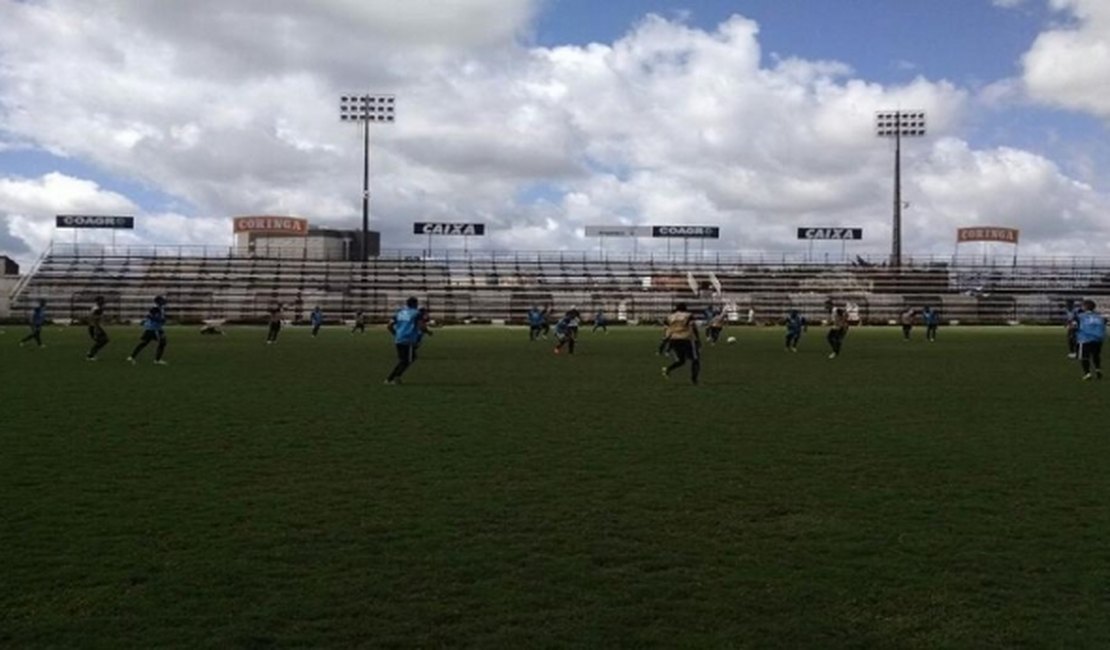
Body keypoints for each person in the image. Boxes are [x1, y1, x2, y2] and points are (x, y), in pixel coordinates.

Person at [385, 296, 430, 385]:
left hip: (399, 339)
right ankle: (391, 379)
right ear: (415, 304)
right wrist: (427, 332)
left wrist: (396, 334)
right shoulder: (416, 313)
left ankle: (395, 378)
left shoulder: (400, 312)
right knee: (407, 360)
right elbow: (421, 326)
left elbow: (389, 326)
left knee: (405, 359)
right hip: (408, 339)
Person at [661, 302, 701, 384]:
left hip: (674, 339)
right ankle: (694, 380)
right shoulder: (688, 315)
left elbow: (666, 329)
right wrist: (697, 338)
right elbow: (693, 326)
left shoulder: (670, 317)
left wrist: (666, 340)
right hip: (686, 339)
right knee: (695, 360)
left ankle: (668, 369)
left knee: (681, 360)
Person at [128, 295, 168, 365]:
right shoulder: (156, 308)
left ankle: (132, 357)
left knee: (144, 343)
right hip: (155, 329)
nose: (163, 302)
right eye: (162, 300)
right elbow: (152, 317)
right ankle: (157, 360)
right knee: (162, 342)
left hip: (152, 328)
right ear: (158, 302)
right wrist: (161, 320)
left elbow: (150, 316)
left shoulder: (159, 308)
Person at [1073, 299, 1106, 380]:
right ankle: (1098, 370)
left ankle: (1087, 373)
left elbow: (1074, 326)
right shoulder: (1099, 316)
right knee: (1096, 355)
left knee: (1084, 357)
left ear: (1085, 307)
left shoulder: (1080, 316)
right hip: (1098, 339)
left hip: (1085, 338)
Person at [86, 296, 109, 360]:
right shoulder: (98, 309)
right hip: (95, 327)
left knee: (103, 340)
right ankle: (90, 355)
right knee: (103, 340)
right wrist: (97, 329)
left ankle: (91, 354)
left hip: (94, 326)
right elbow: (95, 319)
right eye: (102, 301)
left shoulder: (96, 308)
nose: (103, 302)